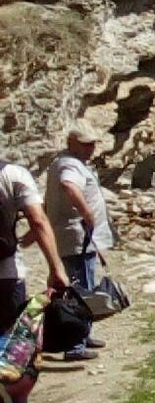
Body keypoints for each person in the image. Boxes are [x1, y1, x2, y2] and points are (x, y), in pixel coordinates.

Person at [44, 123, 114, 361]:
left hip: (76, 237)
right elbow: (68, 185)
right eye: (86, 144)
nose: (91, 148)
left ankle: (82, 333)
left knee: (78, 288)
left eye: (93, 143)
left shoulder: (66, 162)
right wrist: (87, 213)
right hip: (76, 237)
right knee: (79, 291)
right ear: (71, 143)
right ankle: (74, 344)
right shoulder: (70, 165)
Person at [1, 155, 69, 335]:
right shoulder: (13, 174)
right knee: (9, 342)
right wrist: (56, 267)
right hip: (6, 273)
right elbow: (38, 221)